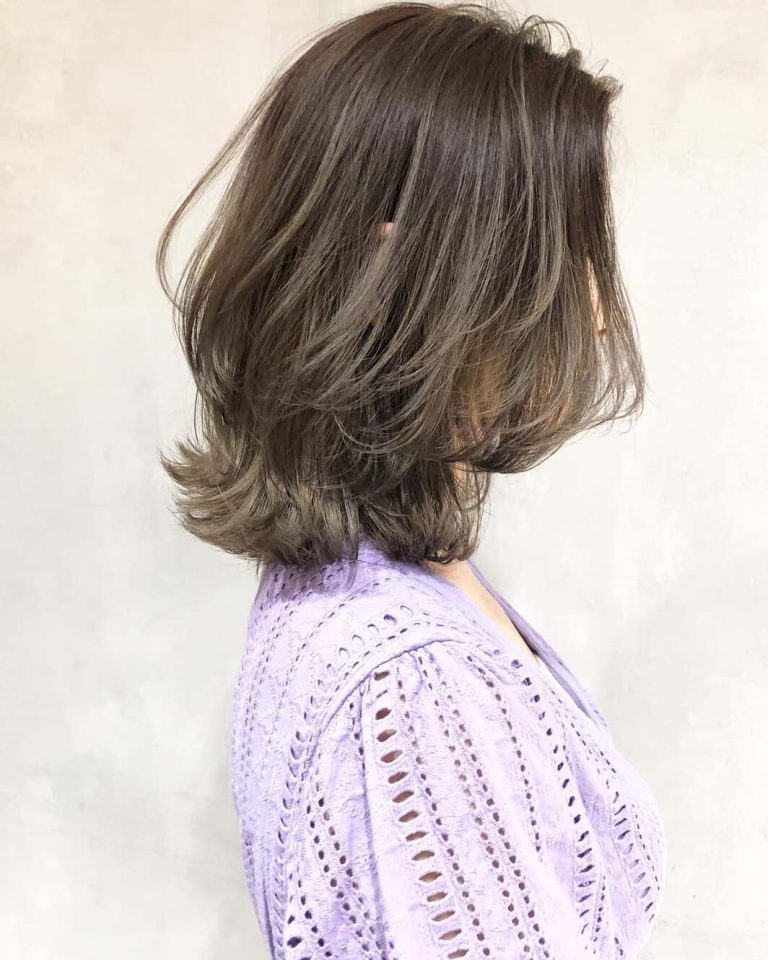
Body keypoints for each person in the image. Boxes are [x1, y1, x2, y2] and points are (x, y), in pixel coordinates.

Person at [156, 3, 667, 957]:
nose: (599, 312)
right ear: (412, 276)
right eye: (567, 256)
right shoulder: (412, 686)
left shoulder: (376, 577)